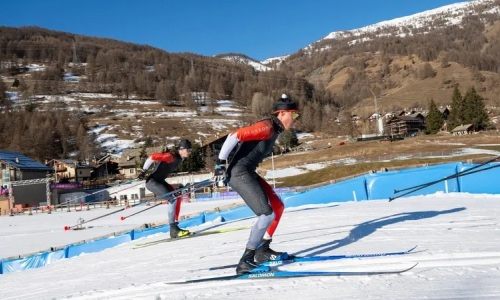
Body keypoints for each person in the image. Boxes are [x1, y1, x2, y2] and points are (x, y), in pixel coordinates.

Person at [216, 94, 300, 274]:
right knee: (266, 215)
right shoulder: (266, 127)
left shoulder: (274, 129)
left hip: (248, 172)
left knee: (277, 206)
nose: (295, 120)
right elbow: (234, 135)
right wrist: (219, 164)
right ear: (283, 113)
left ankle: (262, 250)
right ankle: (246, 260)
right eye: (294, 115)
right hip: (239, 174)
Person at [137, 139, 193, 238]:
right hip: (152, 182)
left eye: (190, 151)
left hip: (160, 181)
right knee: (173, 198)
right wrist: (143, 171)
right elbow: (152, 157)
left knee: (177, 197)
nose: (190, 152)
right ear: (182, 149)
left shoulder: (180, 158)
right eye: (188, 150)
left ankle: (175, 226)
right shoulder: (170, 156)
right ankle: (173, 229)